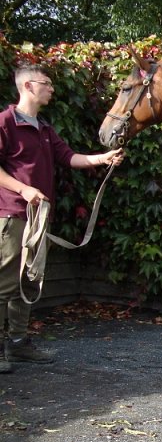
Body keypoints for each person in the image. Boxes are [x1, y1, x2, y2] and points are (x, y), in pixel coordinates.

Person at [0, 64, 125, 374]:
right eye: (47, 84)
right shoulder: (5, 122)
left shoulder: (43, 128)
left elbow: (69, 157)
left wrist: (103, 157)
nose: (52, 89)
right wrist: (24, 189)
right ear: (28, 86)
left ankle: (17, 346)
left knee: (28, 280)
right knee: (3, 283)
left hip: (39, 218)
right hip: (13, 215)